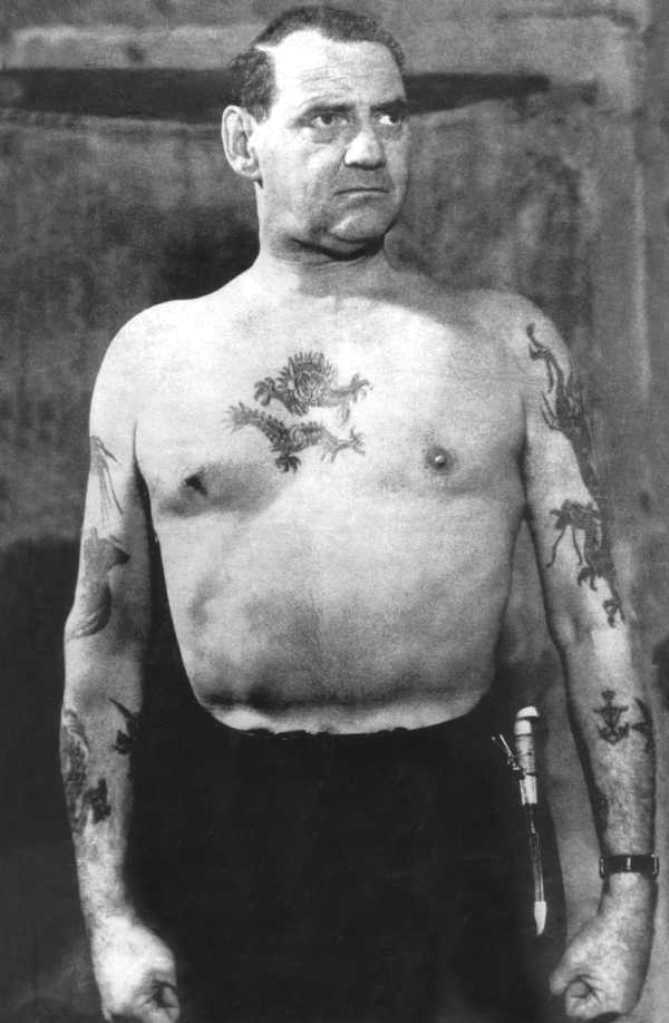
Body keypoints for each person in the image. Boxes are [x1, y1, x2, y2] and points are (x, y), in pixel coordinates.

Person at [60, 6, 657, 1022]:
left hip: (453, 816)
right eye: (327, 118)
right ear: (242, 142)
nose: (371, 149)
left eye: (392, 117)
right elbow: (103, 645)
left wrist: (630, 895)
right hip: (226, 827)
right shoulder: (153, 358)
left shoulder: (504, 345)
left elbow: (593, 620)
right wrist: (109, 914)